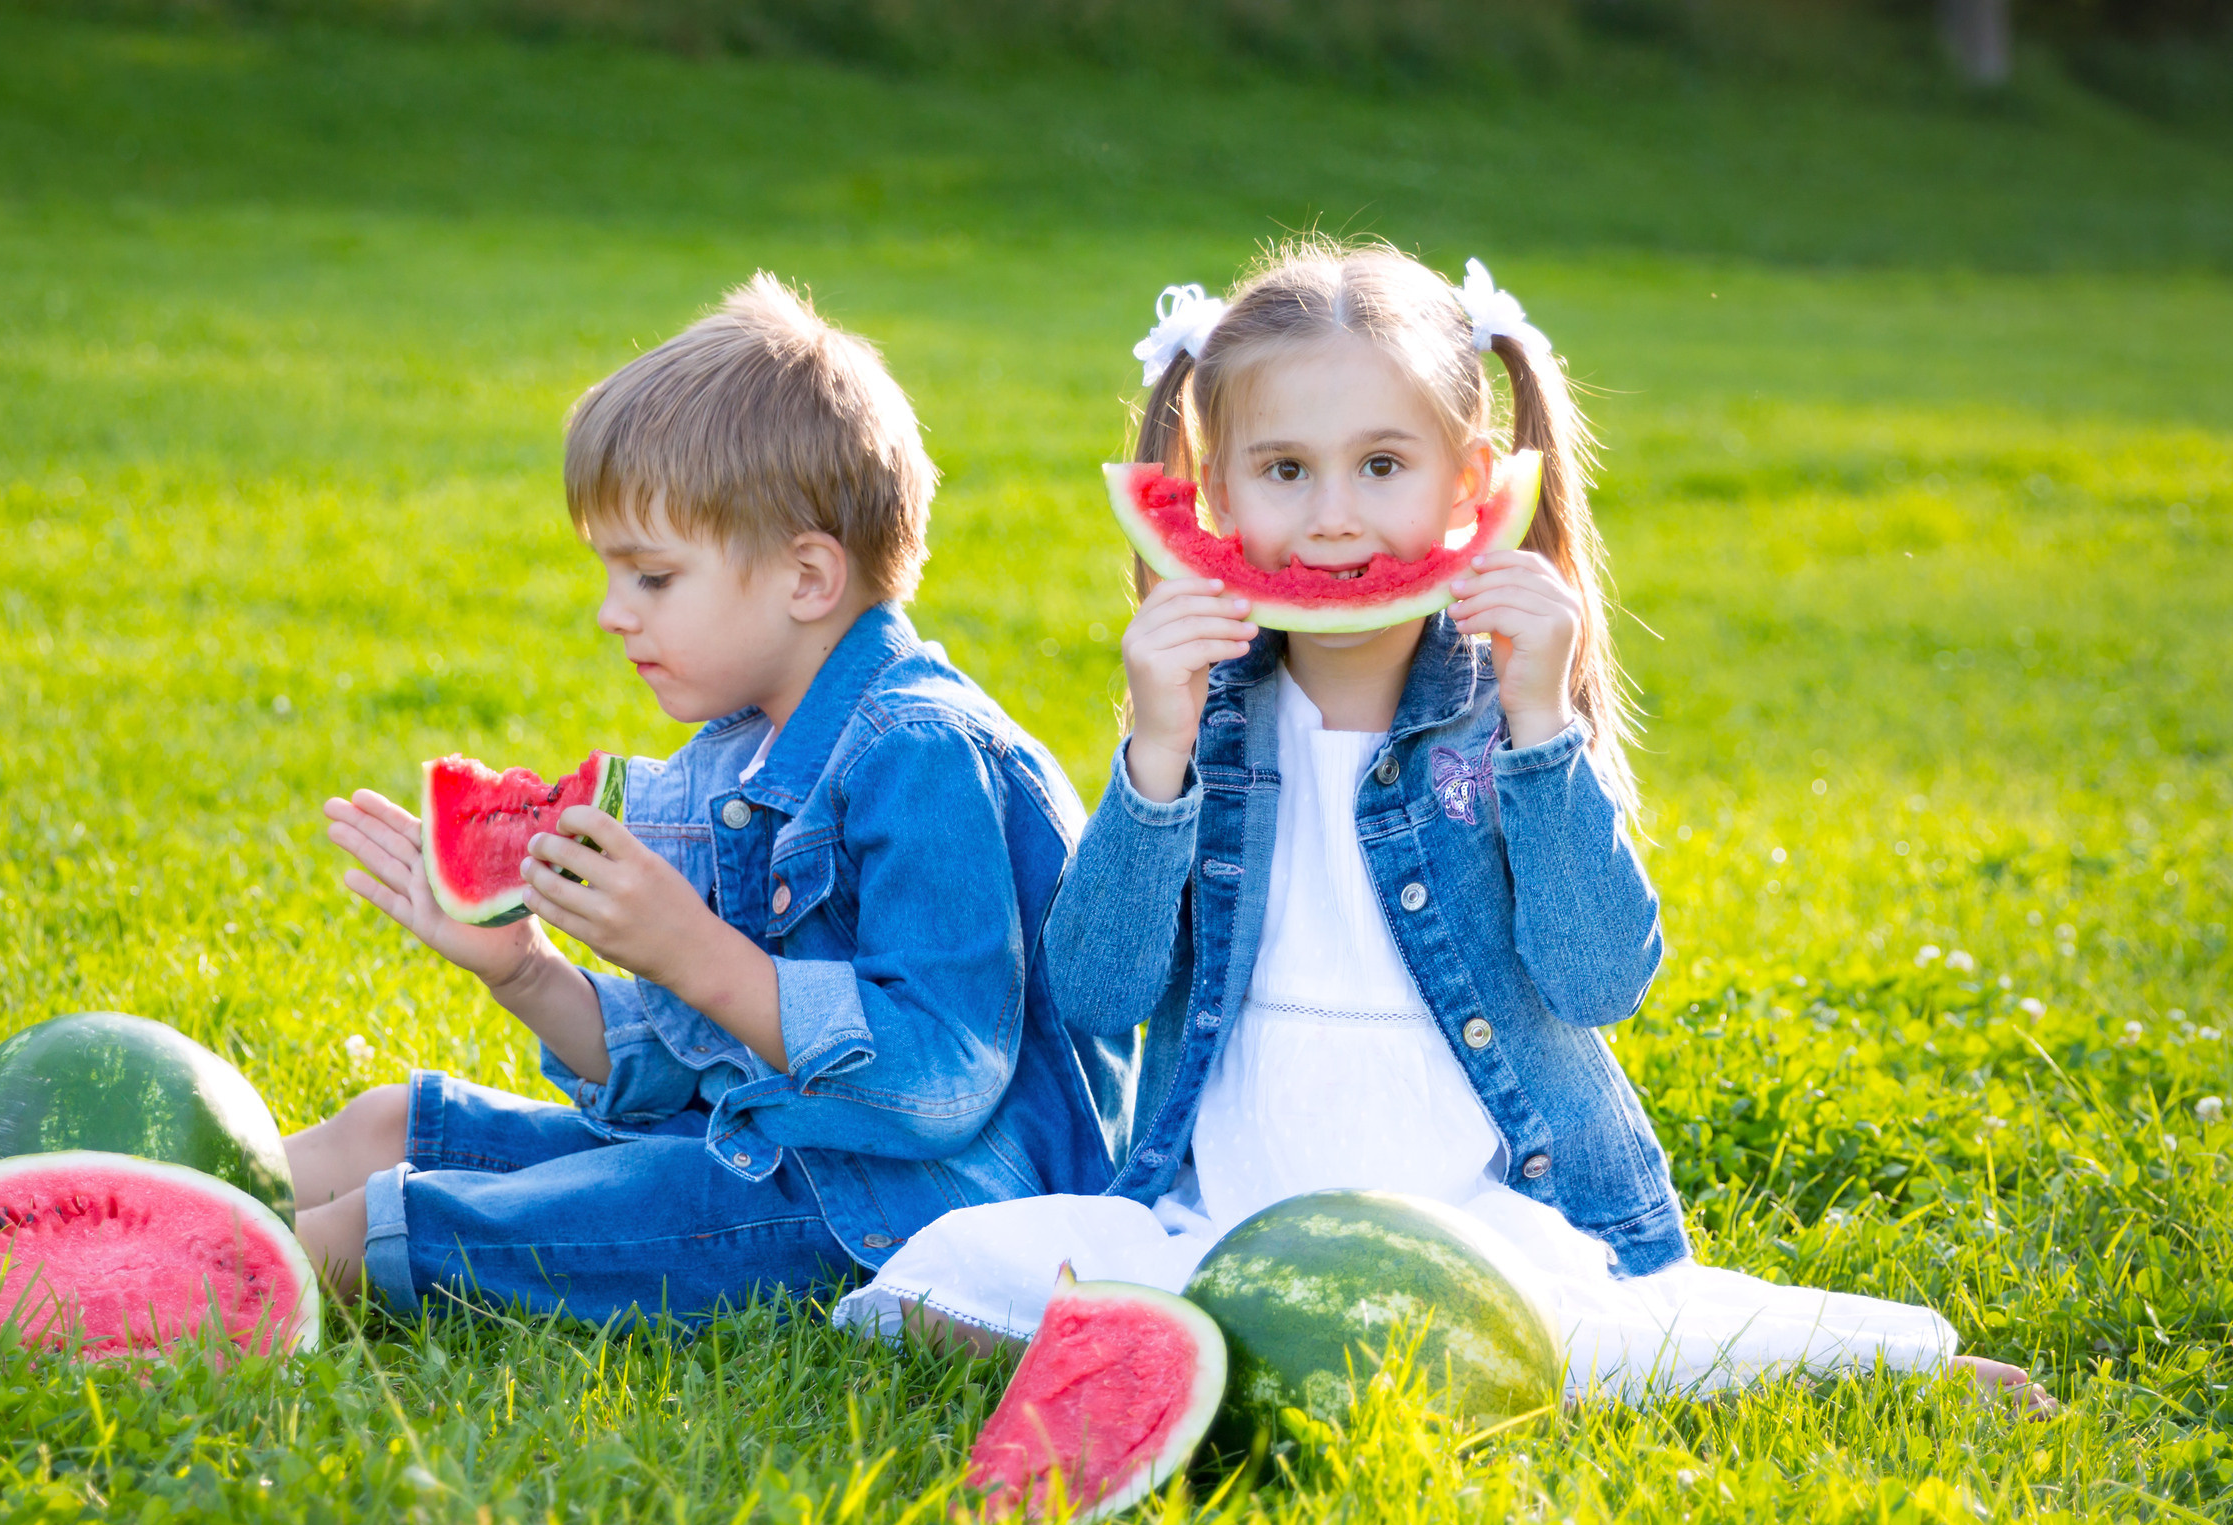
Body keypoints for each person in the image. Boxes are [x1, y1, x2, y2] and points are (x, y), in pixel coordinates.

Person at [837, 241, 2047, 1412]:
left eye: (1380, 466)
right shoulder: (1199, 718)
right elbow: (1101, 990)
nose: (1332, 521)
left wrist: (1539, 730)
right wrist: (1153, 756)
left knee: (1563, 1325)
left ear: (1470, 484)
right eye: (1283, 471)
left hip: (1482, 1221)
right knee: (952, 1266)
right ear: (1211, 496)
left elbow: (1596, 978)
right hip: (1223, 1226)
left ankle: (1841, 1364)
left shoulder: (1500, 711)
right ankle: (1317, 1350)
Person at [288, 274, 1128, 1321]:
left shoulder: (925, 758)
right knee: (381, 1129)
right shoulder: (743, 751)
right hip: (782, 1149)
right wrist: (524, 973)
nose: (609, 614)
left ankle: (149, 1287)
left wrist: (690, 948)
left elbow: (937, 1079)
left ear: (808, 579)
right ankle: (120, 1196)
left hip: (920, 1212)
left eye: (651, 577)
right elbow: (700, 1058)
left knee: (389, 1226)